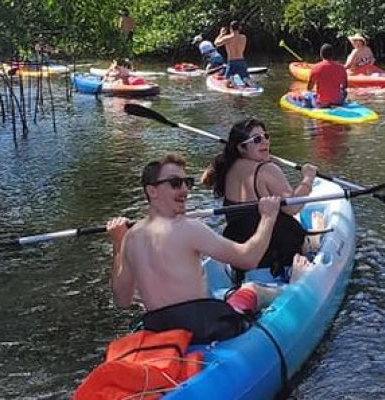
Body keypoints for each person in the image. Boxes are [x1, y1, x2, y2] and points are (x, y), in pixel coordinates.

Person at [107, 153, 311, 342]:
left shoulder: (131, 237)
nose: (185, 191)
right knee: (252, 289)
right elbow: (249, 258)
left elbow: (122, 300)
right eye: (175, 184)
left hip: (159, 327)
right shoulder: (189, 228)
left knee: (222, 295)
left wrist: (118, 244)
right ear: (152, 191)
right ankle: (295, 286)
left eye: (187, 183)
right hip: (202, 327)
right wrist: (268, 218)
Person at [202, 118, 318, 277]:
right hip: (272, 251)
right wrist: (308, 178)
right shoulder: (267, 170)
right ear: (241, 148)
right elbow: (293, 207)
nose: (265, 142)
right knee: (300, 232)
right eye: (257, 140)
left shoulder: (229, 167)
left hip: (242, 248)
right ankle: (313, 242)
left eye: (266, 136)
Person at [305, 43, 348, 107]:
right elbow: (345, 86)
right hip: (338, 101)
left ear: (321, 54)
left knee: (306, 94)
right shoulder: (341, 68)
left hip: (321, 102)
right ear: (332, 55)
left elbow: (309, 88)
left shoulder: (316, 67)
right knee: (344, 92)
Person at [214, 20, 252, 87]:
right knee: (245, 78)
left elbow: (216, 43)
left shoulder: (227, 38)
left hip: (232, 62)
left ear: (231, 28)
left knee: (226, 84)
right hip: (241, 61)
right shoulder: (243, 37)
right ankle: (246, 82)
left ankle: (231, 81)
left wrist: (221, 34)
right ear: (239, 28)